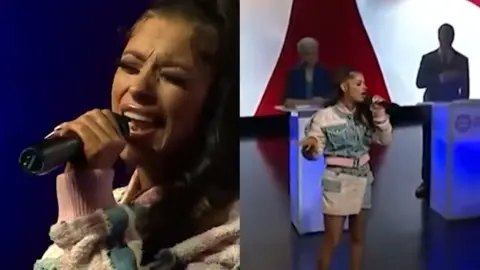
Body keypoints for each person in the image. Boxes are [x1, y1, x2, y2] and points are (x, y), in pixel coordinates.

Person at [34, 0, 240, 269]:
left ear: (217, 105)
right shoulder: (115, 204)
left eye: (172, 77)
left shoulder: (231, 242)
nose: (139, 87)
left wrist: (88, 208)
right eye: (129, 66)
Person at [300, 67, 392, 270]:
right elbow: (314, 148)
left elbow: (385, 140)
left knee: (358, 237)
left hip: (364, 179)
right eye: (358, 84)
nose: (364, 88)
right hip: (338, 180)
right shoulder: (324, 117)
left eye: (364, 84)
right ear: (344, 86)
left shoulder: (366, 114)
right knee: (332, 238)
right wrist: (311, 148)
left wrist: (380, 115)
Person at [415, 23, 469, 199]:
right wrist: (439, 78)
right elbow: (420, 82)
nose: (446, 38)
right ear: (439, 37)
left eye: (449, 35)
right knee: (429, 143)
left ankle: (450, 179)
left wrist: (461, 109)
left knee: (451, 145)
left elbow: (466, 89)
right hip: (431, 107)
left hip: (452, 110)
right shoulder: (428, 59)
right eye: (443, 35)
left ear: (453, 37)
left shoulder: (462, 60)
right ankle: (427, 181)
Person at [284, 37, 333, 108]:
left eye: (314, 52)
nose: (312, 56)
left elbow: (330, 100)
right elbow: (287, 101)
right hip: (297, 113)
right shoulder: (293, 73)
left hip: (320, 113)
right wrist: (311, 102)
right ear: (300, 54)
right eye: (307, 54)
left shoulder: (326, 73)